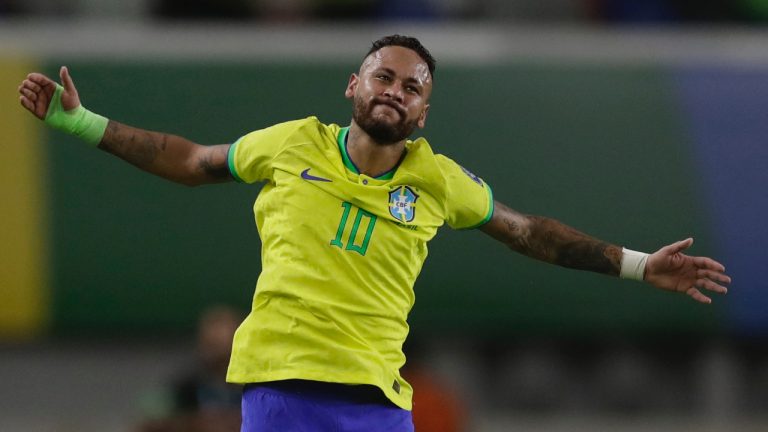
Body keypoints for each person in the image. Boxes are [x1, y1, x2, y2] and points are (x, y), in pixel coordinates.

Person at [18, 35, 730, 431]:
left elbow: (530, 232)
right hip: (281, 391)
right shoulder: (291, 143)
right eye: (382, 76)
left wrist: (640, 266)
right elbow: (188, 159)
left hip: (379, 406)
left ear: (423, 113)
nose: (396, 89)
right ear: (352, 88)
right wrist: (81, 122)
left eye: (413, 87)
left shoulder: (439, 180)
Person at [137, 306, 243, 432]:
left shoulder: (254, 386)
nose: (218, 353)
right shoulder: (187, 385)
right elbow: (152, 420)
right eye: (212, 345)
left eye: (226, 346)